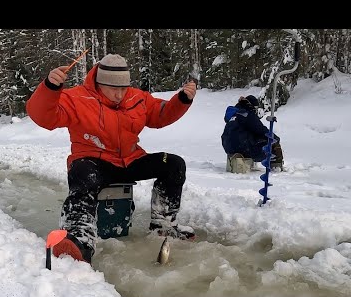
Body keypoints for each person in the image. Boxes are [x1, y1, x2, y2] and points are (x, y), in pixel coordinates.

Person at [26, 54, 197, 264]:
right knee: (82, 173)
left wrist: (181, 101)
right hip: (93, 161)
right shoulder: (77, 98)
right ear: (99, 83)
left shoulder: (137, 98)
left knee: (173, 164)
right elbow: (44, 116)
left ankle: (164, 224)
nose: (119, 95)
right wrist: (50, 89)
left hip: (130, 160)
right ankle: (80, 237)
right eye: (113, 89)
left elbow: (160, 114)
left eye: (123, 89)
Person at [221, 95, 283, 168]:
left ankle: (237, 156)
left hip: (228, 147)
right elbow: (261, 130)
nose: (255, 110)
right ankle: (276, 166)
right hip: (244, 147)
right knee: (273, 144)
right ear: (250, 105)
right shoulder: (247, 114)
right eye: (255, 108)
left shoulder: (233, 115)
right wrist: (276, 139)